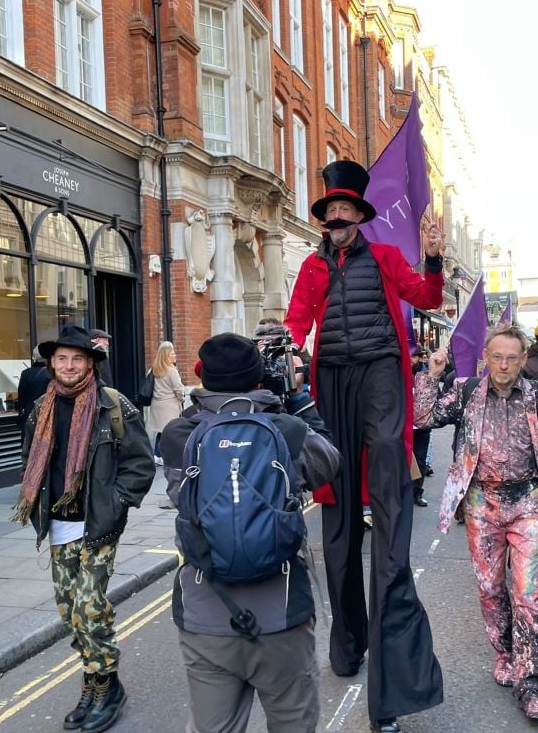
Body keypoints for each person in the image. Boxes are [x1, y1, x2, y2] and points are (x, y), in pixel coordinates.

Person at [283, 159, 444, 733]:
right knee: (339, 522)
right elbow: (297, 321)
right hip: (331, 382)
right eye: (330, 214)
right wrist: (287, 347)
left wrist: (433, 255)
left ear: (359, 218)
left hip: (378, 373)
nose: (337, 220)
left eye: (346, 212)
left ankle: (393, 496)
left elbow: (424, 296)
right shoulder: (310, 267)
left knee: (385, 478)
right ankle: (347, 642)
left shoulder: (383, 259)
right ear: (324, 221)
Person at [161, 333, 341, 733]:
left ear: (203, 377)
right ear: (260, 376)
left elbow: (182, 496)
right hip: (282, 613)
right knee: (293, 723)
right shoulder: (288, 430)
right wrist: (298, 402)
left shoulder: (178, 435)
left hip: (206, 611)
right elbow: (328, 464)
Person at [415, 325, 538, 721]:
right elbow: (422, 417)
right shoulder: (467, 392)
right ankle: (505, 653)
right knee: (489, 589)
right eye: (497, 357)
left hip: (527, 502)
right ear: (486, 356)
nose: (504, 365)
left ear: (523, 359)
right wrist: (432, 374)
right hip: (481, 503)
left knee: (527, 594)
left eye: (512, 358)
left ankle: (531, 683)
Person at [16, 325, 155, 733]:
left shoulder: (113, 405)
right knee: (69, 614)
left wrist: (116, 504)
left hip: (97, 524)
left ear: (91, 363)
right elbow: (30, 461)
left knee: (90, 609)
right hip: (58, 525)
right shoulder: (41, 407)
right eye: (62, 358)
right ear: (51, 363)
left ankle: (105, 685)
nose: (69, 365)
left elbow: (141, 465)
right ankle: (94, 679)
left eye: (77, 359)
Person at [148, 341, 186, 457]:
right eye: (172, 354)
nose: (175, 356)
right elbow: (178, 389)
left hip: (157, 405)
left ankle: (157, 454)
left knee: (161, 431)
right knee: (170, 431)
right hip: (169, 406)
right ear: (166, 355)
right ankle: (164, 454)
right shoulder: (171, 370)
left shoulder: (153, 370)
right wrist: (182, 398)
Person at [410, 346, 432, 507]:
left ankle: (417, 493)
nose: (411, 359)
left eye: (414, 356)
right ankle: (403, 492)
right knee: (403, 461)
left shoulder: (425, 374)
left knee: (420, 460)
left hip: (421, 425)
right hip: (403, 424)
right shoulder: (398, 372)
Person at [16, 347, 50, 431]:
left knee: (28, 442)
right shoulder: (52, 373)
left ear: (34, 357)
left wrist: (21, 410)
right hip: (47, 415)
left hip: (30, 415)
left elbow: (21, 397)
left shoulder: (25, 373)